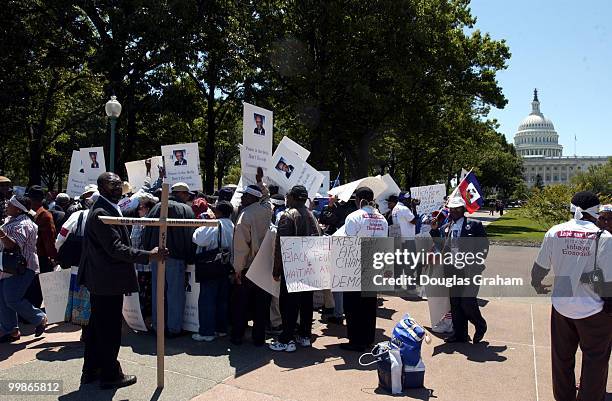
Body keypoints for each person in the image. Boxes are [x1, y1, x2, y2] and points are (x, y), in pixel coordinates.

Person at [78, 172, 167, 389]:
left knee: (98, 328)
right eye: (112, 185)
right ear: (101, 188)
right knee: (108, 330)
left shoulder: (108, 206)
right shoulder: (101, 212)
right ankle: (109, 375)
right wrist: (149, 255)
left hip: (104, 279)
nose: (118, 189)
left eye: (119, 185)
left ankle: (92, 370)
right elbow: (115, 249)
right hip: (106, 281)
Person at [531, 191, 611, 401]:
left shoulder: (554, 232)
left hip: (561, 307)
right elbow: (608, 282)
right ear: (596, 211)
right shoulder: (605, 238)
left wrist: (537, 284)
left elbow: (538, 269)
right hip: (593, 309)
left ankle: (564, 397)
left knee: (561, 358)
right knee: (595, 359)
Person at [269, 186, 322, 352]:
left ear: (292, 197)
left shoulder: (287, 215)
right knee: (306, 303)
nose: (286, 198)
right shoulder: (312, 215)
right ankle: (304, 336)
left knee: (288, 304)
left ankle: (286, 339)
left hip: (292, 266)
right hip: (310, 266)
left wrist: (276, 270)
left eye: (288, 195)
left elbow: (281, 246)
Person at [143, 182, 196, 337]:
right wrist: (189, 256)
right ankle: (174, 328)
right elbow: (190, 236)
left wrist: (148, 252)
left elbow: (147, 231)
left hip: (155, 256)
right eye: (187, 195)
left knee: (157, 292)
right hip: (176, 257)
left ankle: (157, 326)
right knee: (175, 293)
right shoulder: (185, 209)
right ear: (183, 194)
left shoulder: (156, 207)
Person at [340, 187, 388, 352]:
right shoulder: (382, 219)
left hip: (356, 266)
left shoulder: (353, 217)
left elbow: (349, 245)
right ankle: (368, 339)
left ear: (359, 200)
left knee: (353, 305)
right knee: (369, 304)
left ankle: (356, 341)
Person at [436, 196, 489, 344]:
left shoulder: (474, 225)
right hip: (452, 269)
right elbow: (441, 247)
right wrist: (434, 231)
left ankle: (480, 325)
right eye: (451, 209)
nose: (453, 211)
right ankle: (460, 334)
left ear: (463, 210)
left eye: (457, 209)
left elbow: (484, 246)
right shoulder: (446, 227)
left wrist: (476, 262)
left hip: (469, 270)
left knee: (467, 301)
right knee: (455, 303)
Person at [0, 195, 48, 342]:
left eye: (10, 204)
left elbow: (13, 246)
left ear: (18, 209)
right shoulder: (11, 220)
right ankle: (10, 331)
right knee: (2, 299)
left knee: (12, 299)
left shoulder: (24, 224)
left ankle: (39, 318)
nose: (7, 205)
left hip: (22, 267)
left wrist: (1, 233)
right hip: (7, 267)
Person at [231, 184, 272, 346]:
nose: (241, 198)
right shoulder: (267, 211)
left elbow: (241, 247)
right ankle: (259, 337)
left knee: (240, 305)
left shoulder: (245, 215)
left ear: (252, 197)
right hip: (264, 265)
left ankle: (237, 336)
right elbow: (268, 200)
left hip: (247, 267)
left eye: (245, 195)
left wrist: (238, 269)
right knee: (261, 305)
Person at [192, 201, 234, 342]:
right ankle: (220, 329)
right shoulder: (232, 225)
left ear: (218, 212)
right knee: (222, 300)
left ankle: (206, 332)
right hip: (226, 266)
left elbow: (198, 239)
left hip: (211, 266)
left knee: (207, 300)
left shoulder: (215, 224)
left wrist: (204, 224)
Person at [25, 186, 58, 308]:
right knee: (38, 286)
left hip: (27, 256)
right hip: (41, 257)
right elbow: (49, 240)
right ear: (43, 198)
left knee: (29, 285)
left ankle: (26, 312)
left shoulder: (25, 213)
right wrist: (54, 257)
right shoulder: (45, 215)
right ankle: (33, 313)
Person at [130, 193, 158, 319]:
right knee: (146, 293)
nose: (138, 210)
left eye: (140, 207)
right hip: (143, 265)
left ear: (147, 208)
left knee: (146, 294)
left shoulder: (145, 222)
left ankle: (145, 319)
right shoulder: (140, 222)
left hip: (146, 265)